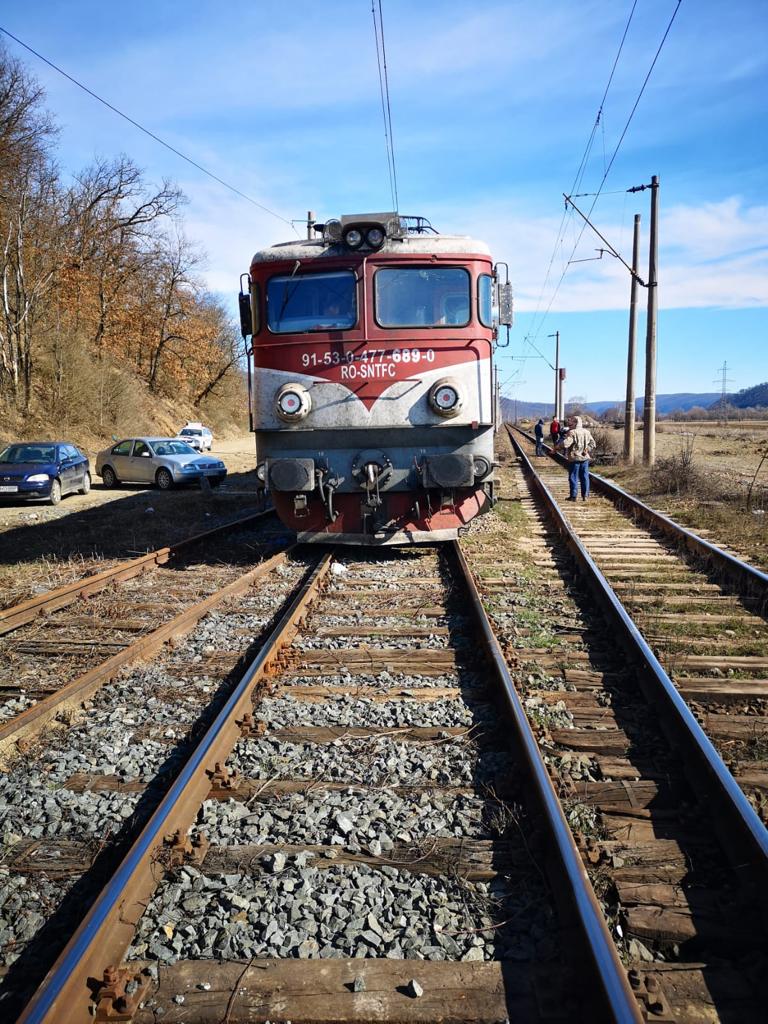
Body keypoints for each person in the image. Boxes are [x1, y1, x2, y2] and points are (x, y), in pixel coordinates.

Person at [560, 416, 596, 501]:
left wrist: (557, 446)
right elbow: (593, 443)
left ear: (575, 423)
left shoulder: (572, 432)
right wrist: (587, 449)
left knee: (573, 477)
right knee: (584, 477)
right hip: (584, 458)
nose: (569, 423)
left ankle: (573, 496)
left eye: (571, 422)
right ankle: (585, 496)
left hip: (574, 458)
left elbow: (565, 444)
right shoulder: (587, 432)